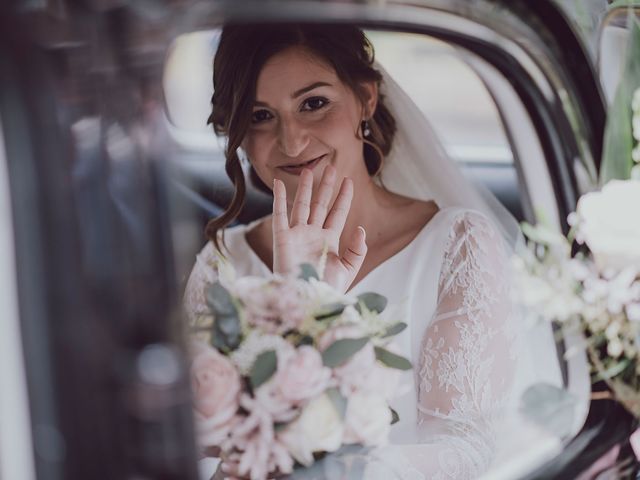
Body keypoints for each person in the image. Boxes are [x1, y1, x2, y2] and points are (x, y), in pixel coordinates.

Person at [184, 23, 542, 479]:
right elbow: (189, 445)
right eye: (259, 116)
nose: (291, 141)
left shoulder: (457, 247)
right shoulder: (221, 263)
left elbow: (465, 452)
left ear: (365, 100)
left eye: (314, 104)